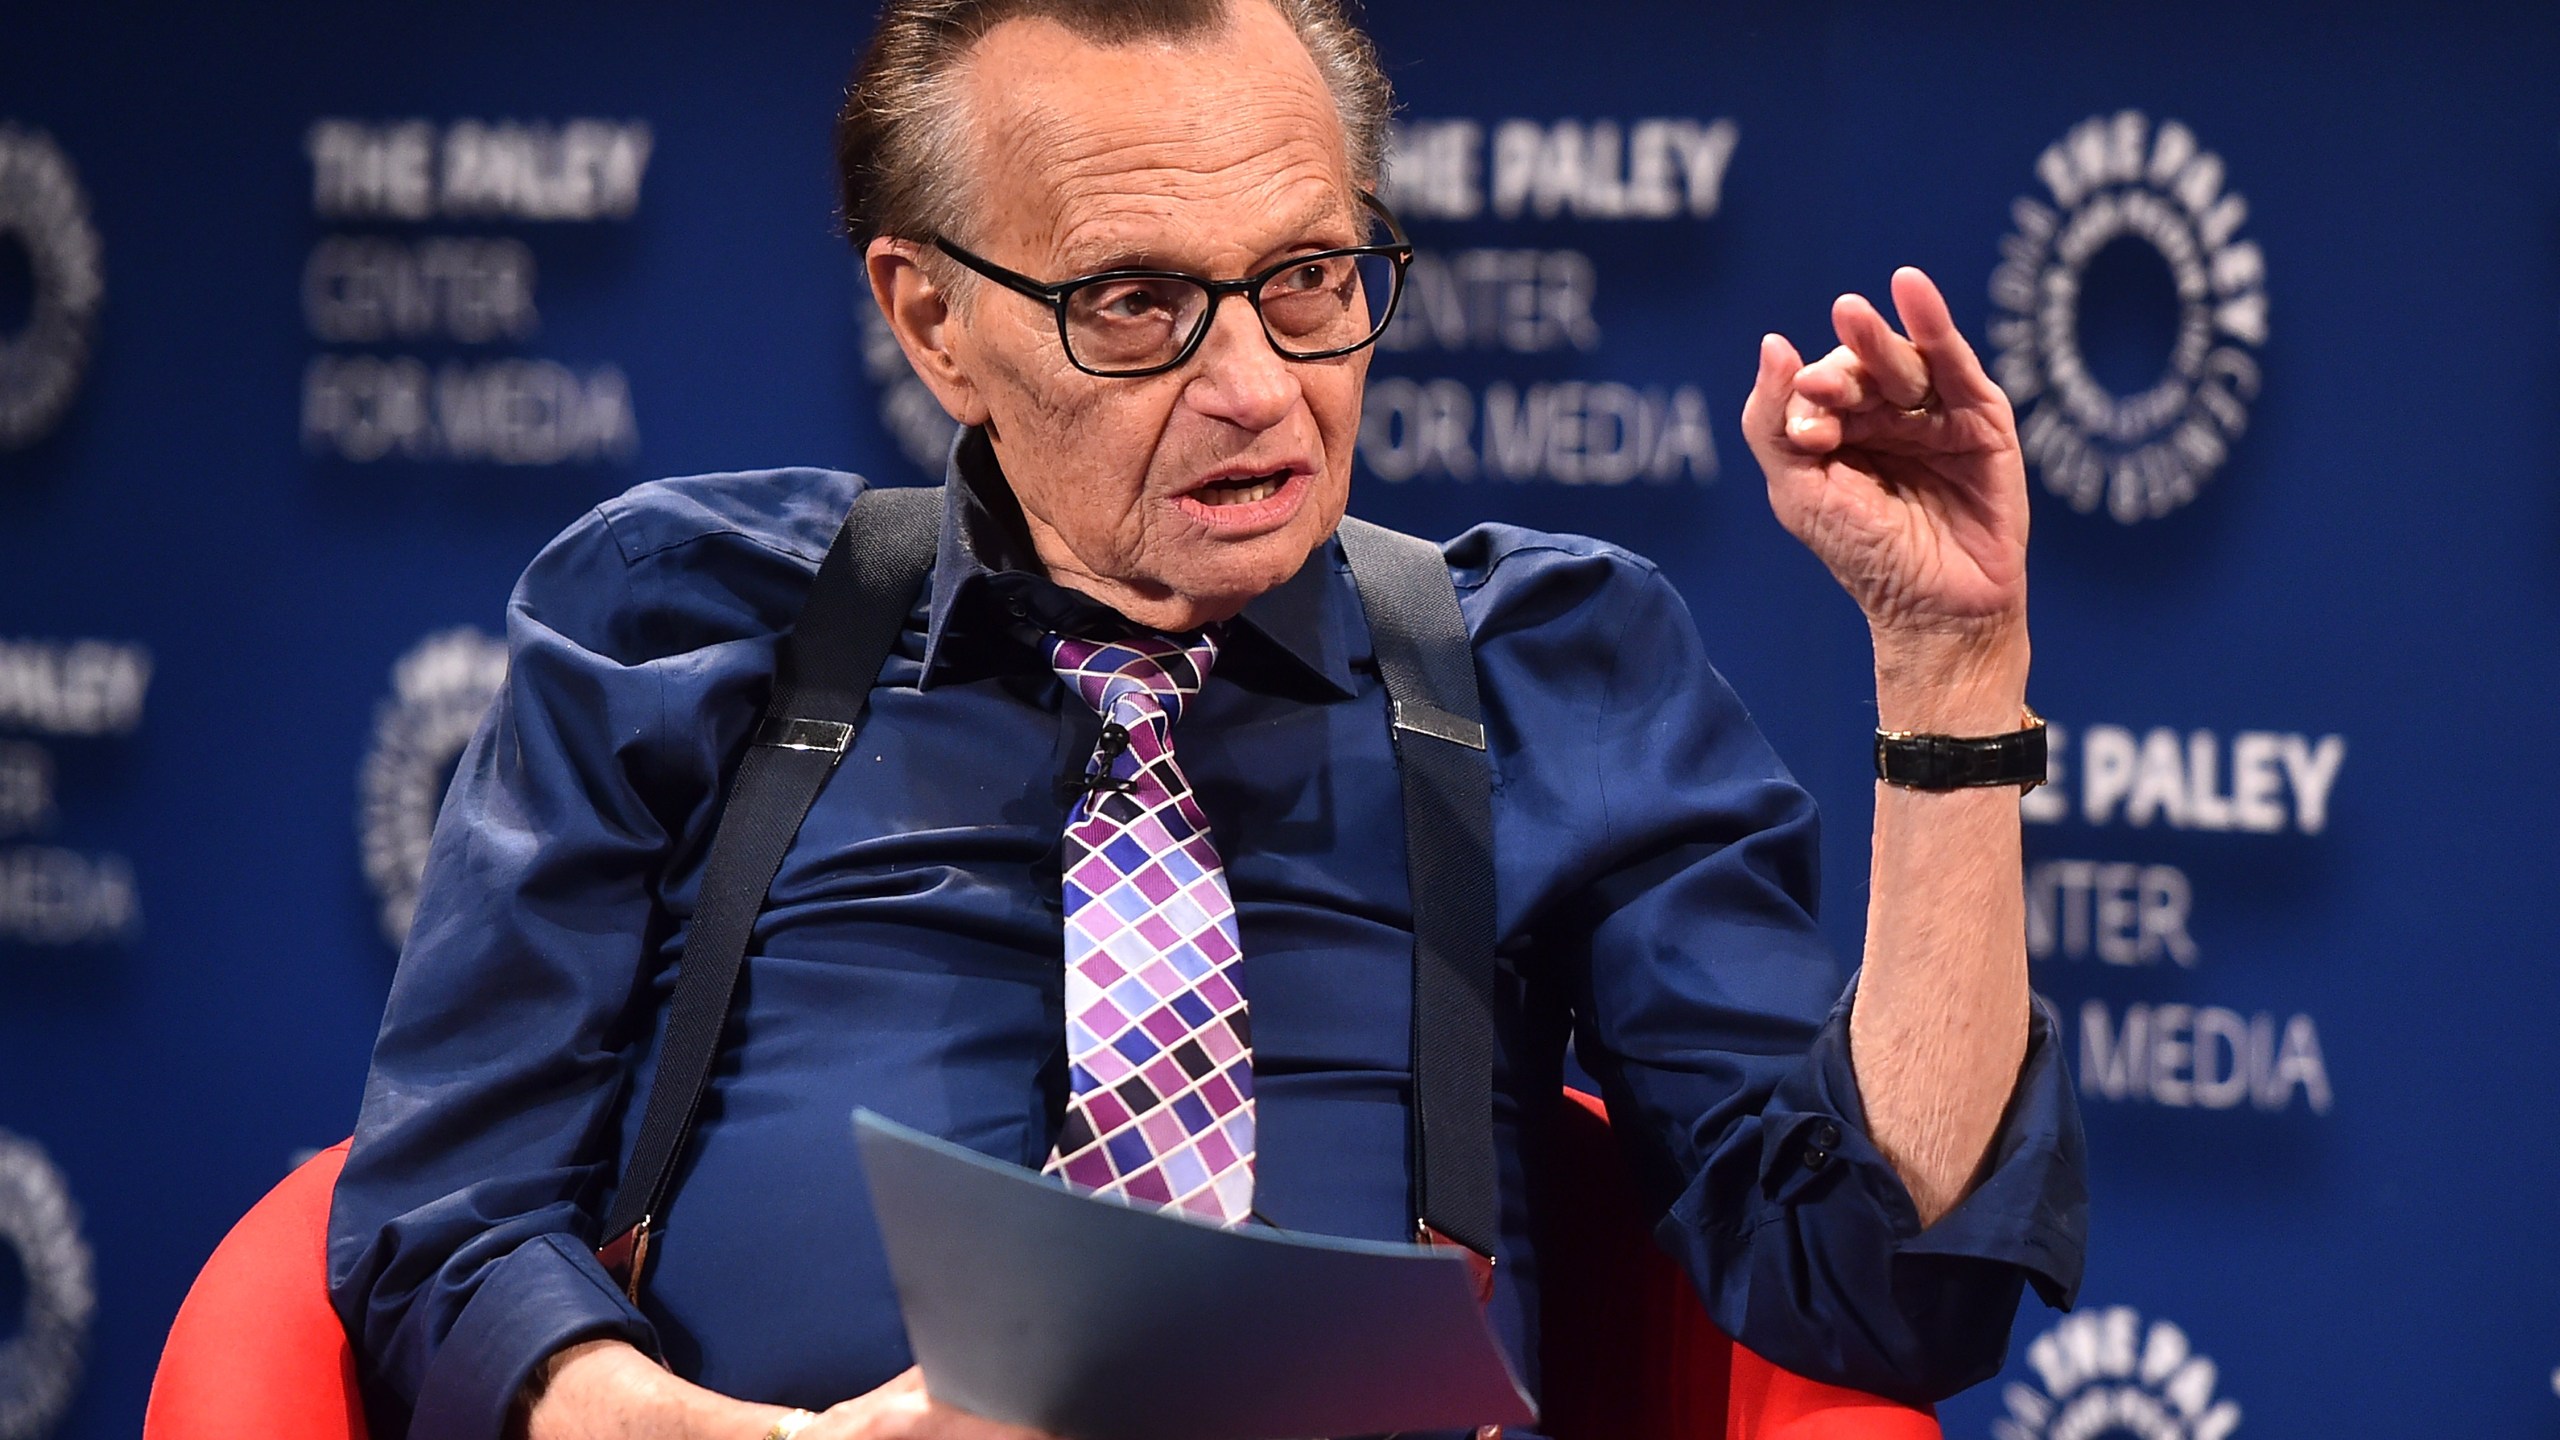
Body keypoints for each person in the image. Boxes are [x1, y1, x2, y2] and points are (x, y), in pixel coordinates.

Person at [327, 2, 2086, 1438]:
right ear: (932, 320)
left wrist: (1950, 667)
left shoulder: (1542, 664)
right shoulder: (692, 627)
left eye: (1308, 280)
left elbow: (1883, 1277)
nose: (1257, 389)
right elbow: (443, 1231)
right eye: (1138, 306)